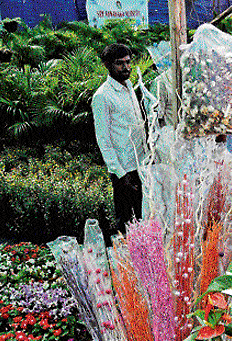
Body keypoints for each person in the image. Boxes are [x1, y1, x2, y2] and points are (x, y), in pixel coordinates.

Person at [92, 43, 145, 242]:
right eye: (119, 64)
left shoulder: (129, 86)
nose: (126, 67)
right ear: (107, 65)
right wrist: (121, 174)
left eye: (128, 62)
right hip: (124, 170)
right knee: (126, 223)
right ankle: (125, 265)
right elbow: (103, 140)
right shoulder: (102, 96)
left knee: (142, 217)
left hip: (141, 163)